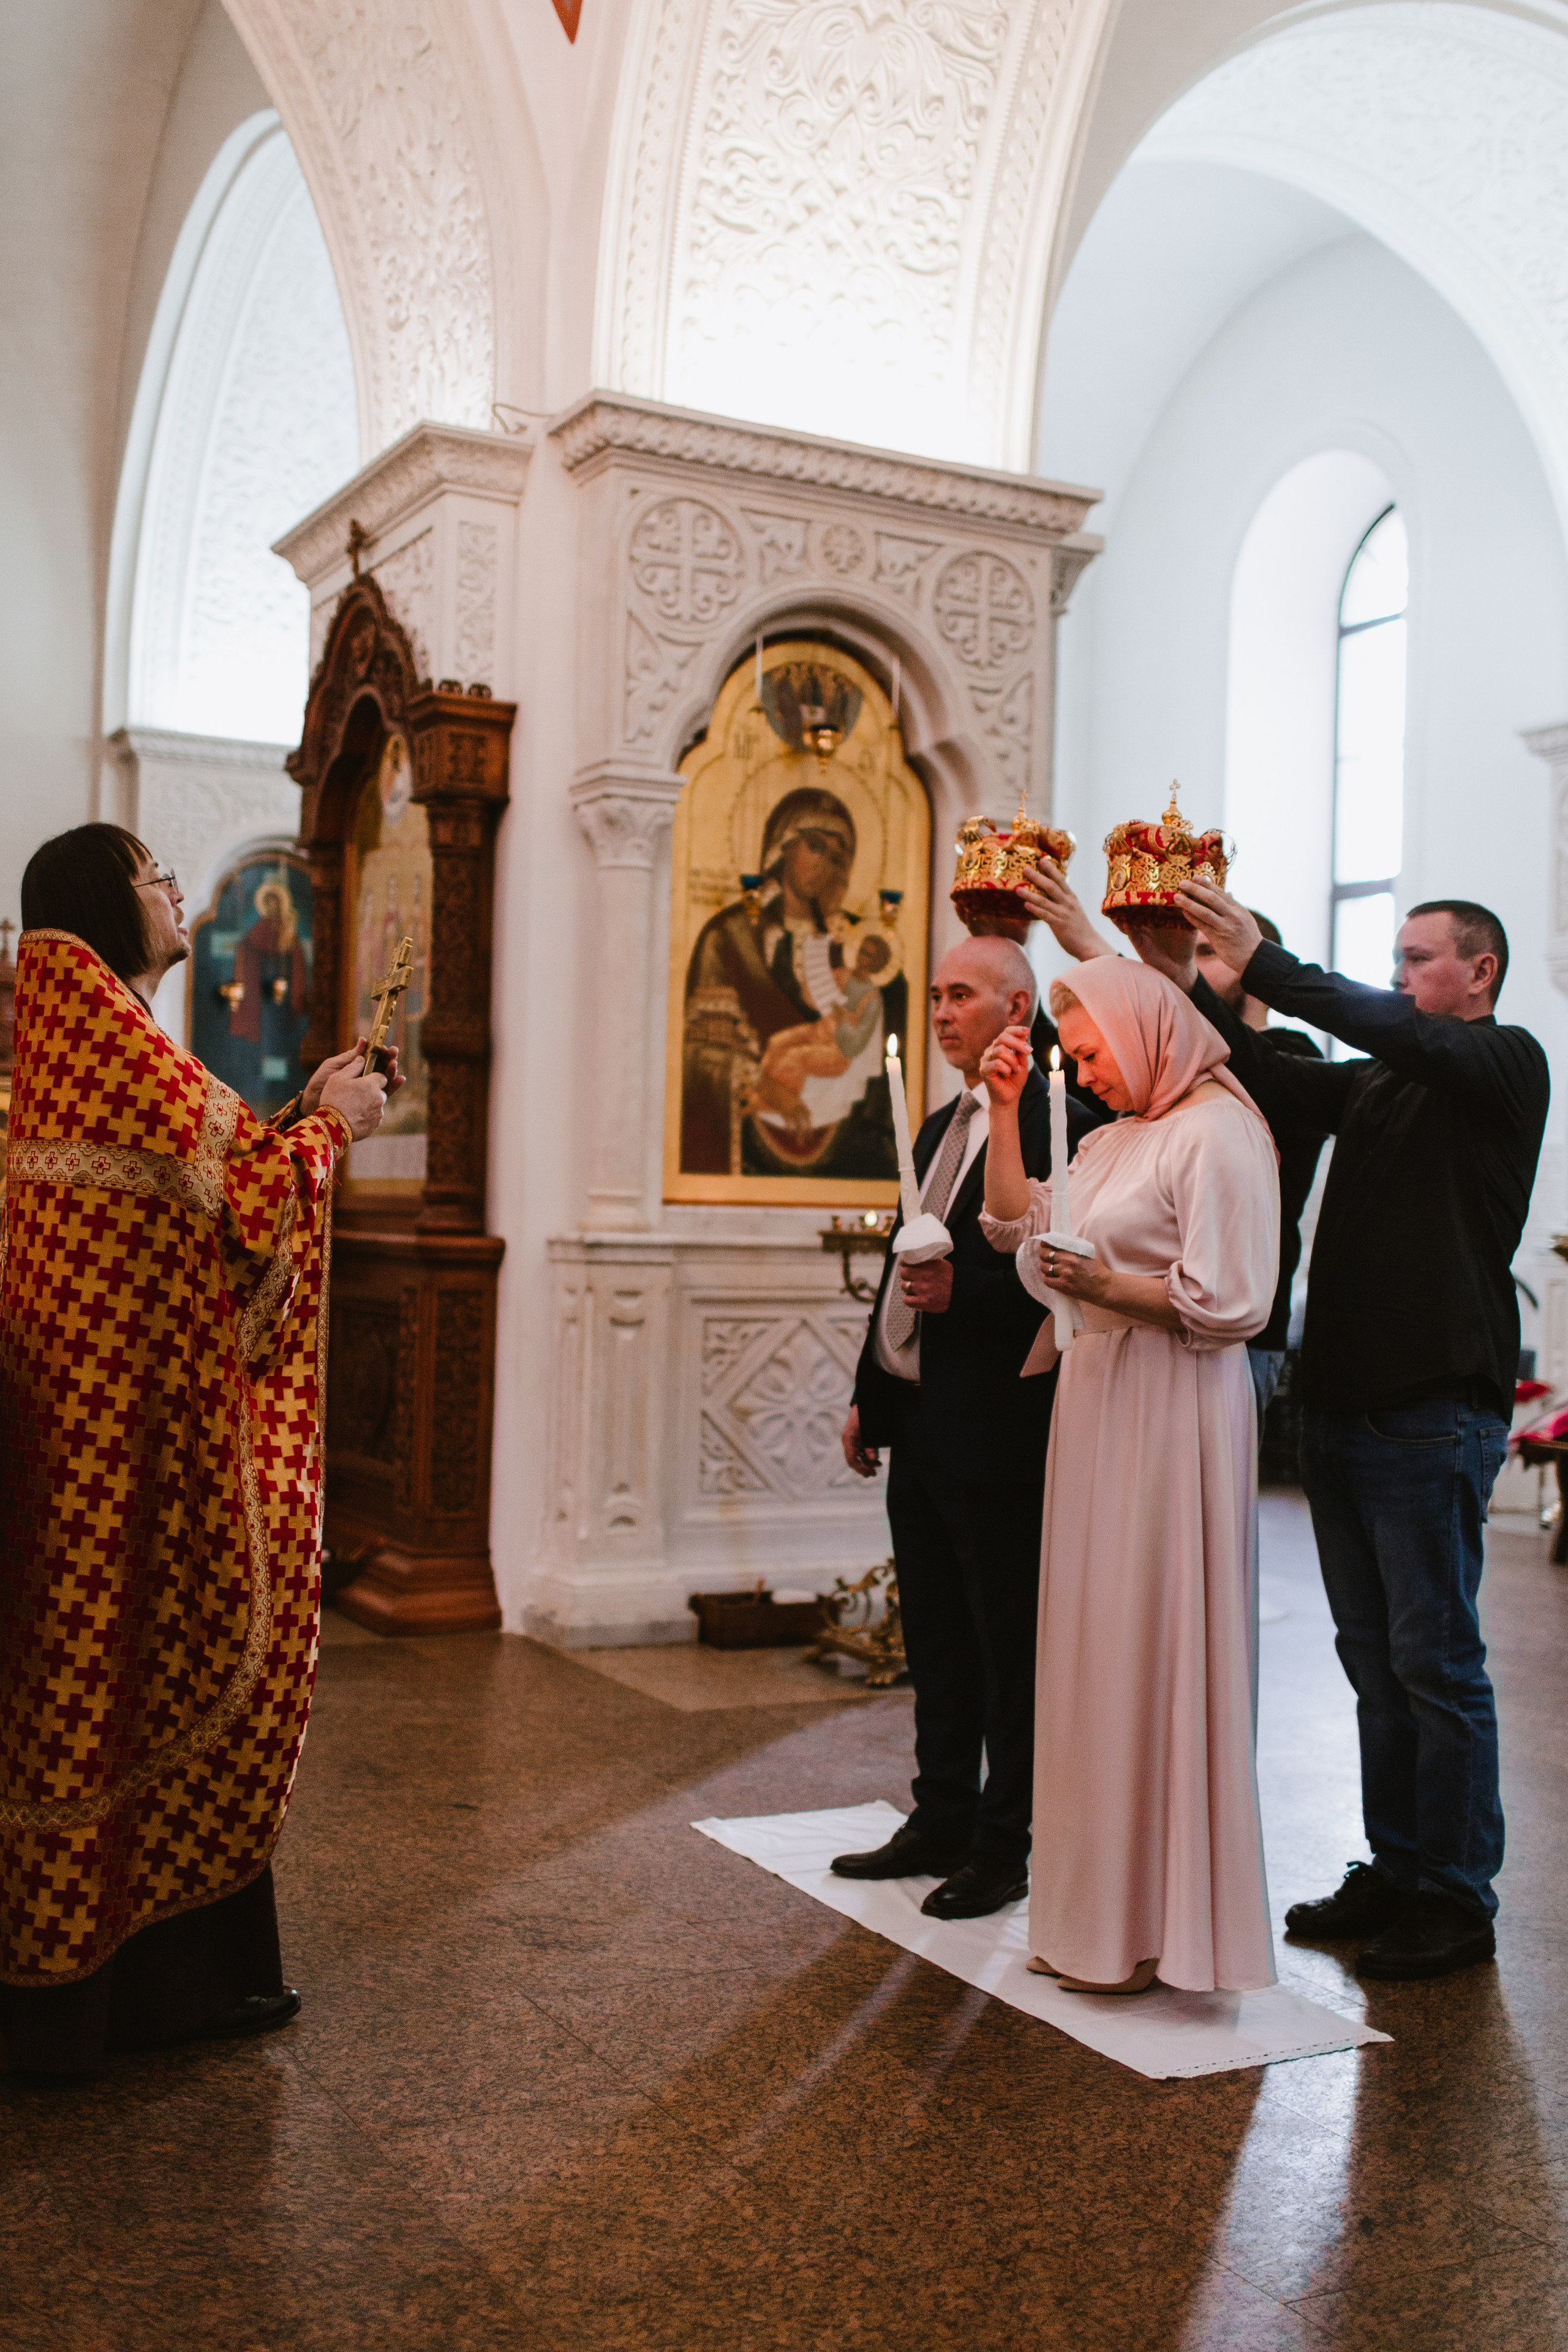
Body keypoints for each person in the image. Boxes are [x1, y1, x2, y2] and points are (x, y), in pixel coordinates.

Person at [0, 823, 391, 2076]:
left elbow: (205, 1187)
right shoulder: (113, 1044)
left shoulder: (70, 1038)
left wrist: (296, 1113)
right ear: (108, 909)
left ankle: (137, 1989)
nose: (177, 894)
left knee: (84, 1700)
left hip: (73, 1452)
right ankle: (142, 2001)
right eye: (155, 877)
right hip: (133, 1467)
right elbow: (257, 1205)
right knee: (148, 1675)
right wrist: (331, 1132)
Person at [1165, 881, 1549, 1981]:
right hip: (1338, 1409)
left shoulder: (1504, 1065)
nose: (1401, 976)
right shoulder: (1382, 1081)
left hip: (1431, 1415)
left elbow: (1377, 1025)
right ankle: (1396, 1865)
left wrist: (1273, 969)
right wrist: (1202, 983)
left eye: (1421, 957)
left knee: (1436, 1666)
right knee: (1373, 1664)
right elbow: (1274, 1079)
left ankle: (1455, 1896)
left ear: (1479, 972)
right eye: (1397, 955)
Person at [979, 957, 1280, 1992]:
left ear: (1149, 1031)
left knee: (1154, 1637)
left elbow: (1232, 1301)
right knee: (1093, 1647)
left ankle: (1160, 1928)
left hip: (1174, 1410)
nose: (1092, 1073)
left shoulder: (1219, 1132)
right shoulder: (1113, 1138)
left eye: (1097, 1053)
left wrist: (1104, 1282)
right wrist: (1007, 1110)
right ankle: (1092, 1920)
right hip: (1100, 1398)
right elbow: (1016, 1224)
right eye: (1080, 1059)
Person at [835, 937, 1091, 1920]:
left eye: (960, 995)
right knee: (935, 1635)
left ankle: (1003, 1841)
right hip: (918, 1417)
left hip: (997, 1424)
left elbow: (1051, 1272)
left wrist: (964, 1297)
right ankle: (936, 1814)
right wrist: (871, 1389)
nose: (940, 1011)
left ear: (1017, 1008)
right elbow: (906, 1263)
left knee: (1001, 1644)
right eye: (935, 995)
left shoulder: (1061, 1117)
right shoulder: (941, 1120)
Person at [1017, 862, 1325, 1430]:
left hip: (1230, 1327)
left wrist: (1096, 949)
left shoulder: (1288, 1058)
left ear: (1251, 964)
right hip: (1133, 1329)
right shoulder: (1156, 1096)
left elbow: (1233, 1056)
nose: (1181, 967)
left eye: (1205, 953)